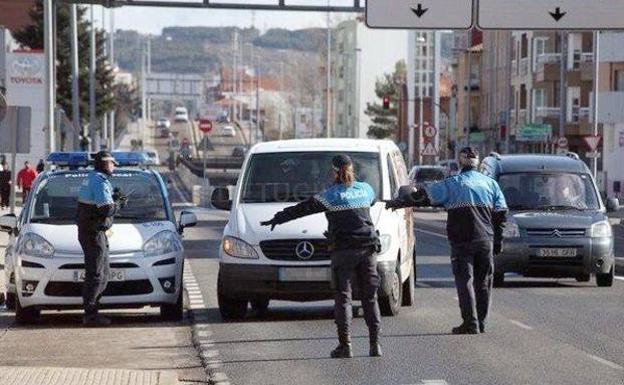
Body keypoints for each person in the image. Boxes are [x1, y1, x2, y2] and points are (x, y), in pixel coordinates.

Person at [260, 155, 383, 358]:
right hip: (368, 249)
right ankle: (375, 345)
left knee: (343, 298)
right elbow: (371, 202)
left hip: (343, 251)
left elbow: (303, 209)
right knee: (370, 298)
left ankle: (345, 346)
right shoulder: (366, 189)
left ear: (334, 172)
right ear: (352, 169)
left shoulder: (330, 195)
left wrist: (278, 218)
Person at [386, 147, 508, 334]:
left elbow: (424, 197)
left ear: (460, 162)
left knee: (464, 281)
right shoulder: (491, 184)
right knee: (484, 282)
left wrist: (399, 202)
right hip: (485, 240)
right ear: (478, 162)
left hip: (461, 241)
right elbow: (501, 213)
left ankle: (470, 322)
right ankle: (481, 323)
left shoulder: (452, 184)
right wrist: (498, 240)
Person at [76, 151, 126, 326]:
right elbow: (105, 209)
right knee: (96, 273)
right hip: (93, 232)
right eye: (112, 163)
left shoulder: (91, 177)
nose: (114, 167)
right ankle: (90, 314)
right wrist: (118, 204)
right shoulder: (99, 180)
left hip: (93, 231)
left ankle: (93, 310)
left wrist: (113, 200)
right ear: (105, 163)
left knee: (102, 272)